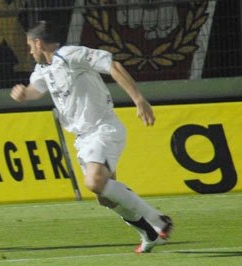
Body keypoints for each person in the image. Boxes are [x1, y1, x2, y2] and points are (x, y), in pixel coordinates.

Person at [10, 20, 173, 253]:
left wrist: (139, 100)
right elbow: (37, 88)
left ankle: (159, 221)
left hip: (102, 128)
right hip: (83, 139)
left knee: (94, 182)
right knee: (105, 197)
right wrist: (25, 94)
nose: (29, 51)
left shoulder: (70, 55)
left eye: (29, 46)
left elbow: (113, 65)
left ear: (38, 43)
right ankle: (148, 233)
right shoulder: (43, 68)